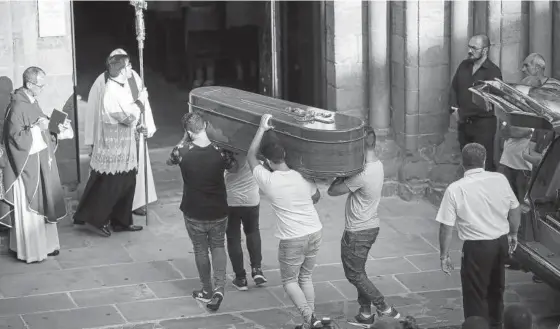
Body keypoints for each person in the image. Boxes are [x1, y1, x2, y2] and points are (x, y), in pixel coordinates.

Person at [246, 114, 323, 329]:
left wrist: (261, 128)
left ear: (268, 162)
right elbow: (316, 197)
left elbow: (250, 156)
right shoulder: (302, 176)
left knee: (290, 281)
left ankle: (310, 319)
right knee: (305, 277)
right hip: (315, 230)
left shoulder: (269, 180)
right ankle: (311, 323)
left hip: (292, 238)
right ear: (285, 155)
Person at [436, 143, 521, 329]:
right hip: (500, 243)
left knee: (475, 293)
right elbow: (515, 209)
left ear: (462, 162)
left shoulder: (455, 189)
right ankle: (496, 324)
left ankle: (477, 325)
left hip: (477, 247)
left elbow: (446, 227)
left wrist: (444, 255)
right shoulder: (499, 179)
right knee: (496, 288)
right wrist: (513, 233)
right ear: (484, 160)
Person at [327, 126, 400, 325]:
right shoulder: (378, 165)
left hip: (358, 231)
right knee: (360, 273)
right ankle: (365, 313)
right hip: (369, 227)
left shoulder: (361, 174)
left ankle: (386, 309)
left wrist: (342, 172)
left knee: (354, 274)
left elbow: (332, 191)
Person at [0, 66, 73, 263]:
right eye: (40, 85)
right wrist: (37, 128)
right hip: (27, 168)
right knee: (33, 209)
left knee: (46, 202)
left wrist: (56, 126)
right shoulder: (17, 106)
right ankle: (31, 251)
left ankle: (48, 245)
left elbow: (40, 122)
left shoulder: (31, 100)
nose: (43, 88)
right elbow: (15, 139)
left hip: (40, 162)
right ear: (30, 84)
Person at [167, 112, 236, 311]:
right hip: (218, 208)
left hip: (193, 209)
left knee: (200, 249)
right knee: (218, 245)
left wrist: (184, 138)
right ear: (205, 125)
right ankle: (219, 288)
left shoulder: (182, 150)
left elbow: (170, 161)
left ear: (188, 132)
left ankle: (206, 290)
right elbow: (233, 167)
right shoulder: (221, 151)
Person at [73, 54, 146, 237]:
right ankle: (97, 220)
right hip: (114, 148)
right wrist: (140, 103)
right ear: (121, 70)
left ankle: (122, 221)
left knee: (128, 182)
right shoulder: (111, 91)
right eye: (129, 66)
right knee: (113, 186)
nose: (131, 69)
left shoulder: (122, 87)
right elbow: (126, 117)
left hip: (125, 144)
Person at [81, 48, 157, 218]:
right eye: (127, 65)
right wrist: (92, 140)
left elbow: (145, 103)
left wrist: (146, 125)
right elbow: (94, 111)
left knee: (133, 172)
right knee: (114, 176)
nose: (130, 68)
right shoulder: (102, 82)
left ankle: (136, 203)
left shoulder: (134, 77)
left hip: (135, 132)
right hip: (114, 137)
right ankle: (110, 210)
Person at [450, 34, 502, 171]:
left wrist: (461, 113)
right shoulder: (464, 65)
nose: (469, 50)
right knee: (467, 163)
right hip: (464, 125)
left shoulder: (493, 72)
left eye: (474, 48)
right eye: (469, 47)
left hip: (483, 126)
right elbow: (454, 88)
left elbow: (487, 103)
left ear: (485, 50)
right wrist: (453, 109)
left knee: (484, 164)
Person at [224, 154, 267, 290]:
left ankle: (240, 278)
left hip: (231, 200)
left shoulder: (227, 147)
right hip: (251, 198)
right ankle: (257, 270)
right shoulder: (256, 147)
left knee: (233, 238)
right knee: (253, 231)